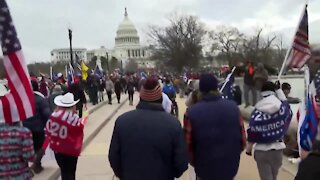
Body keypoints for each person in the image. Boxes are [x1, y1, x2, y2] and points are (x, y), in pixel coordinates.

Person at [109, 78, 188, 180]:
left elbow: (114, 157)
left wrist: (124, 174)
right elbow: (181, 162)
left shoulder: (122, 122)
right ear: (161, 98)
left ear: (141, 97)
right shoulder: (173, 124)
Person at [184, 74, 246, 180]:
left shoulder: (191, 113)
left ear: (200, 90)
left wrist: (195, 162)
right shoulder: (233, 108)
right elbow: (243, 140)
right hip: (229, 167)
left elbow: (187, 145)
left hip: (204, 168)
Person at [246, 81, 292, 180]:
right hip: (277, 149)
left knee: (266, 177)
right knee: (274, 177)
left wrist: (248, 149)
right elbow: (287, 107)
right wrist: (279, 90)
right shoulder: (281, 109)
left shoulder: (256, 112)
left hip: (261, 150)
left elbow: (252, 132)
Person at [45, 93, 85, 180]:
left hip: (58, 150)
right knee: (71, 171)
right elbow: (79, 133)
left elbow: (48, 131)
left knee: (64, 171)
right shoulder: (74, 118)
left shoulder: (53, 116)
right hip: (71, 150)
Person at [23, 80, 52, 174]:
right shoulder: (40, 99)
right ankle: (37, 164)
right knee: (39, 147)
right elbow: (47, 114)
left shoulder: (22, 100)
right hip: (38, 129)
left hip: (24, 128)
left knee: (26, 148)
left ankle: (28, 166)